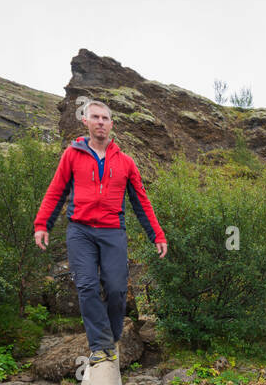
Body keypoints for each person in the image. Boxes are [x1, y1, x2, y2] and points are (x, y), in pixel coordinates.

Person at [33, 98, 168, 367]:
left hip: (112, 231)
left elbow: (141, 202)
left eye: (105, 118)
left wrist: (157, 235)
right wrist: (42, 224)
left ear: (111, 124)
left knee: (117, 289)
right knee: (86, 286)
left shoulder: (126, 163)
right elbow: (56, 191)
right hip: (80, 231)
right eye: (95, 117)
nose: (100, 123)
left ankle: (112, 338)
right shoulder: (72, 154)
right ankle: (99, 346)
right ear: (85, 121)